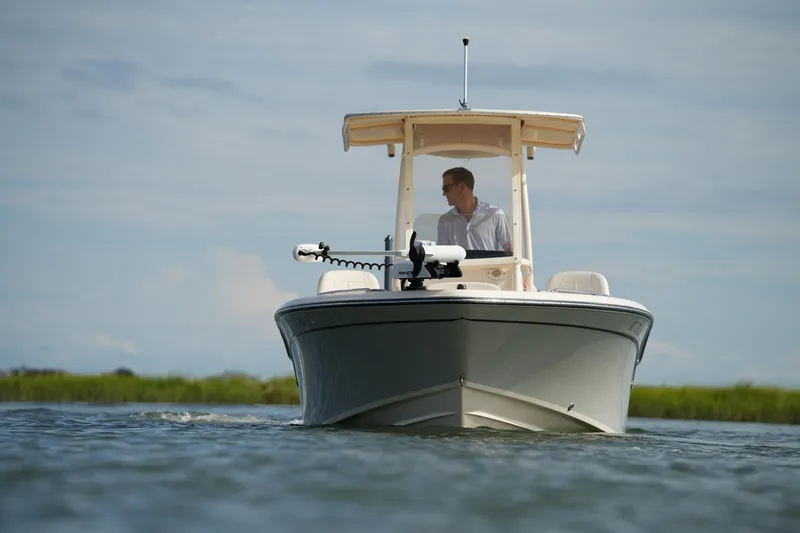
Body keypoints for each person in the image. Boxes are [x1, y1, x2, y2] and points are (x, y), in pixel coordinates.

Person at [436, 166, 512, 252]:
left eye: (446, 189)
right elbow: (443, 255)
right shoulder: (445, 220)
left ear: (461, 187)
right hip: (459, 266)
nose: (444, 194)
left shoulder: (495, 214)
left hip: (489, 266)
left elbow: (509, 248)